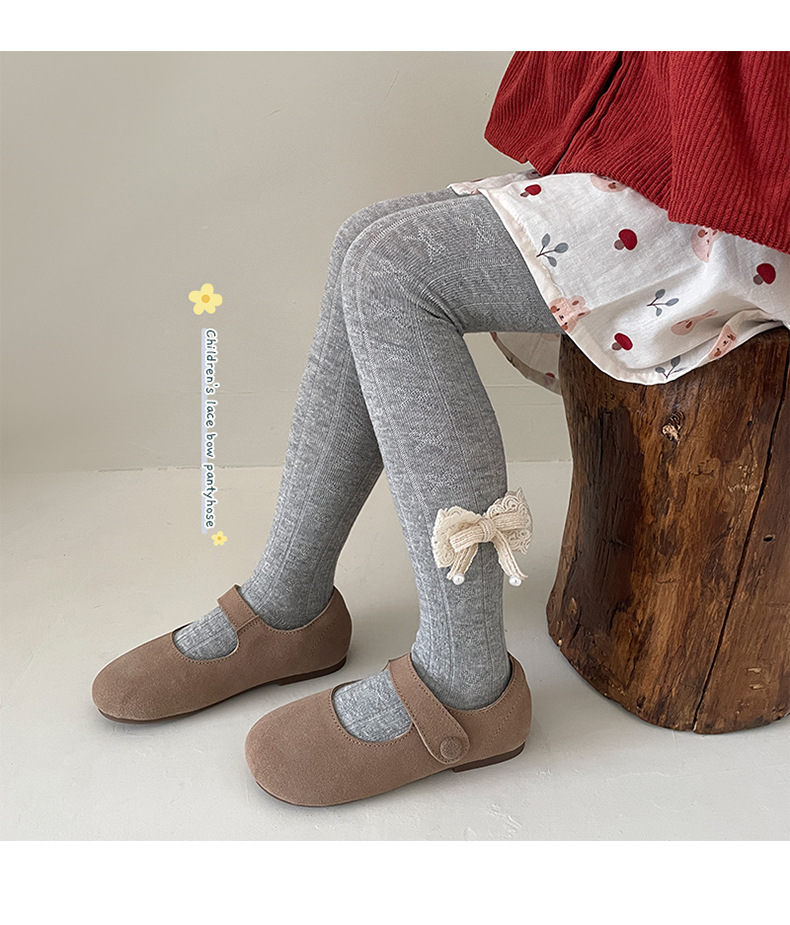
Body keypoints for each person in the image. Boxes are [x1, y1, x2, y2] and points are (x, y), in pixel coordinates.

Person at [92, 51, 790, 807]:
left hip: (740, 203)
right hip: (659, 157)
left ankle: (466, 681)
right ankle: (288, 604)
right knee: (362, 242)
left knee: (395, 273)